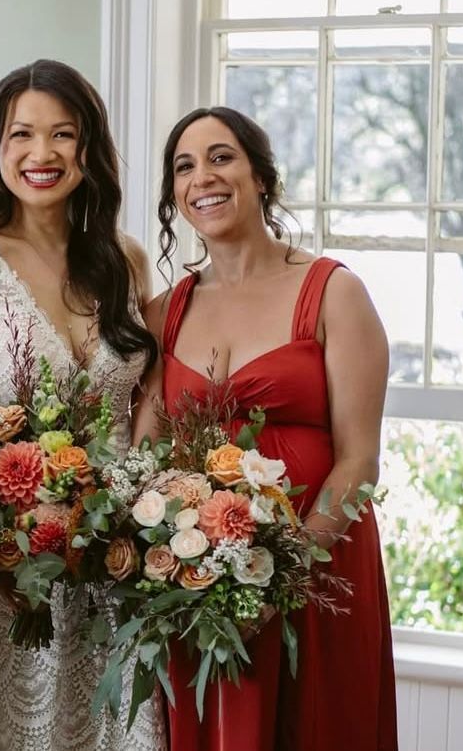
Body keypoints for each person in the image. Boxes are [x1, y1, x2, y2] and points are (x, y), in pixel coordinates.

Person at [0, 59, 167, 750]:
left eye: (63, 134)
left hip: (120, 569)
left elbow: (147, 414)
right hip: (14, 578)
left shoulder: (127, 260)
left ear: (89, 149)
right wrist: (9, 564)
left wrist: (132, 532)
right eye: (21, 134)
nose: (41, 154)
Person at [137, 106, 397, 751]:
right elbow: (144, 458)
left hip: (318, 567)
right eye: (184, 166)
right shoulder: (162, 314)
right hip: (204, 582)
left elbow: (360, 460)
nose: (204, 177)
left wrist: (281, 579)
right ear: (174, 194)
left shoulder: (333, 291)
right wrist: (184, 565)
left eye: (221, 157)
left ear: (261, 177)